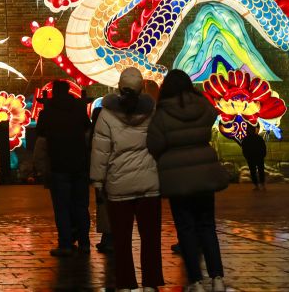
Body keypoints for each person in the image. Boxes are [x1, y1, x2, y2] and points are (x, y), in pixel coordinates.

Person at [147, 70, 228, 292]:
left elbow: (154, 144)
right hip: (204, 172)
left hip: (177, 177)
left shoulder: (162, 113)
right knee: (207, 226)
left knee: (186, 229)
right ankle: (217, 278)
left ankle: (195, 281)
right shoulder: (202, 106)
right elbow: (212, 117)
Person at [90, 67, 163, 292]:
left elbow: (100, 151)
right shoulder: (152, 112)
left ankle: (125, 283)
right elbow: (160, 144)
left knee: (121, 239)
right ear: (142, 87)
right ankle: (150, 282)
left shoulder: (106, 114)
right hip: (149, 185)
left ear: (119, 87)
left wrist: (98, 181)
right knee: (150, 238)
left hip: (118, 185)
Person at [35, 80, 93, 256]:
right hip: (80, 163)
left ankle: (65, 243)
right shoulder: (78, 109)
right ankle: (84, 242)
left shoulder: (48, 112)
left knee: (62, 207)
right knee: (81, 206)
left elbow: (40, 133)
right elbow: (86, 128)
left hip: (58, 164)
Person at [89, 104, 111, 252]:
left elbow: (98, 156)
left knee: (104, 208)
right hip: (115, 173)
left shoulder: (93, 135)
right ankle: (109, 239)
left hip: (103, 175)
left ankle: (108, 239)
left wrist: (96, 180)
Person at [241, 123, 267, 190]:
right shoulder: (258, 138)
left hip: (254, 157)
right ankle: (259, 185)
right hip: (255, 157)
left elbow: (244, 148)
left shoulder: (247, 139)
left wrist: (246, 156)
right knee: (256, 171)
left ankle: (258, 185)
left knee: (256, 171)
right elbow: (263, 147)